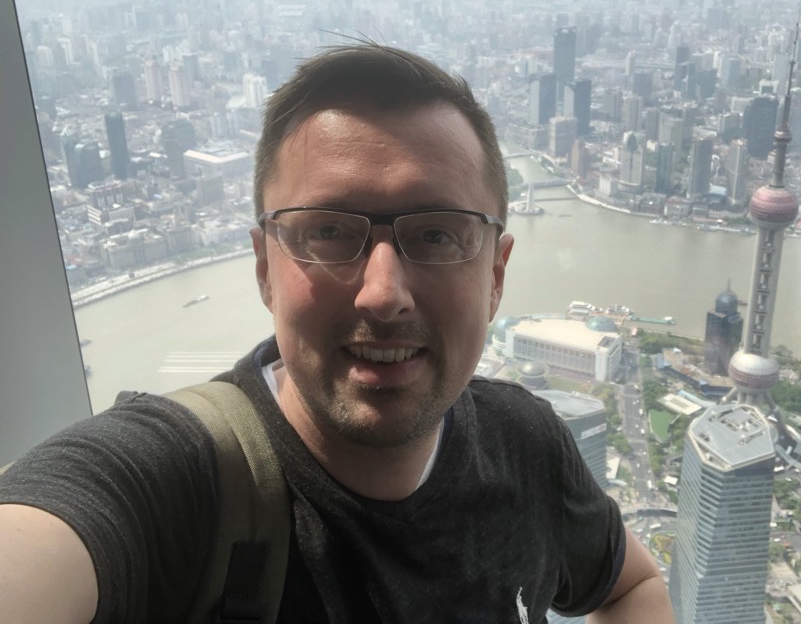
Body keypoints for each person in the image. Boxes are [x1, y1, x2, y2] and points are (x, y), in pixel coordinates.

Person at [0, 44, 674, 623]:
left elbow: (633, 584)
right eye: (327, 230)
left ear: (495, 275)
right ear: (264, 267)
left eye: (436, 234)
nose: (383, 293)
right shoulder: (173, 487)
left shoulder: (528, 446)